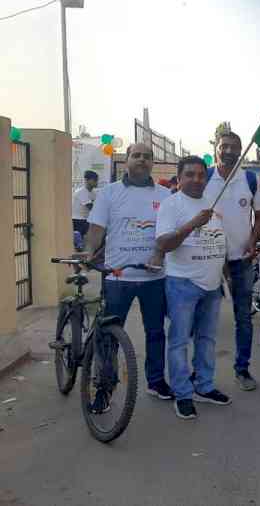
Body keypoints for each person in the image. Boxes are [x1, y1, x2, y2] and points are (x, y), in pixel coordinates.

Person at [85, 144, 173, 402]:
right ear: (127, 160)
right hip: (117, 277)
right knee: (109, 335)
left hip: (154, 277)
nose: (142, 160)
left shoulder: (166, 195)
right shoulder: (109, 193)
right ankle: (104, 386)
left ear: (152, 163)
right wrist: (90, 253)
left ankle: (156, 382)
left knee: (156, 332)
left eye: (147, 157)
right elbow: (97, 228)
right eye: (137, 156)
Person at [156, 156, 231, 420]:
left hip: (211, 286)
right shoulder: (171, 205)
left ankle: (204, 386)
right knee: (178, 342)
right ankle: (182, 393)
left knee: (207, 340)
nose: (197, 179)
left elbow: (219, 242)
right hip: (182, 284)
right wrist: (192, 224)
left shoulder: (212, 204)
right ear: (179, 178)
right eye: (190, 174)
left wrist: (225, 276)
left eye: (201, 175)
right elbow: (164, 244)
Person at [203, 130, 260, 391]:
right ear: (216, 148)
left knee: (243, 319)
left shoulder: (250, 179)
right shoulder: (202, 177)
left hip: (241, 261)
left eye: (234, 147)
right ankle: (202, 377)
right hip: (207, 262)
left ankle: (243, 369)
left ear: (241, 151)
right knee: (204, 320)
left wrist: (253, 239)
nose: (228, 151)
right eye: (224, 146)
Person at [72, 170, 98, 239]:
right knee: (80, 243)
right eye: (94, 180)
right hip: (78, 221)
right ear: (86, 180)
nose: (96, 182)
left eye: (97, 180)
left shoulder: (93, 192)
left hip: (86, 220)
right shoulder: (81, 192)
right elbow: (91, 207)